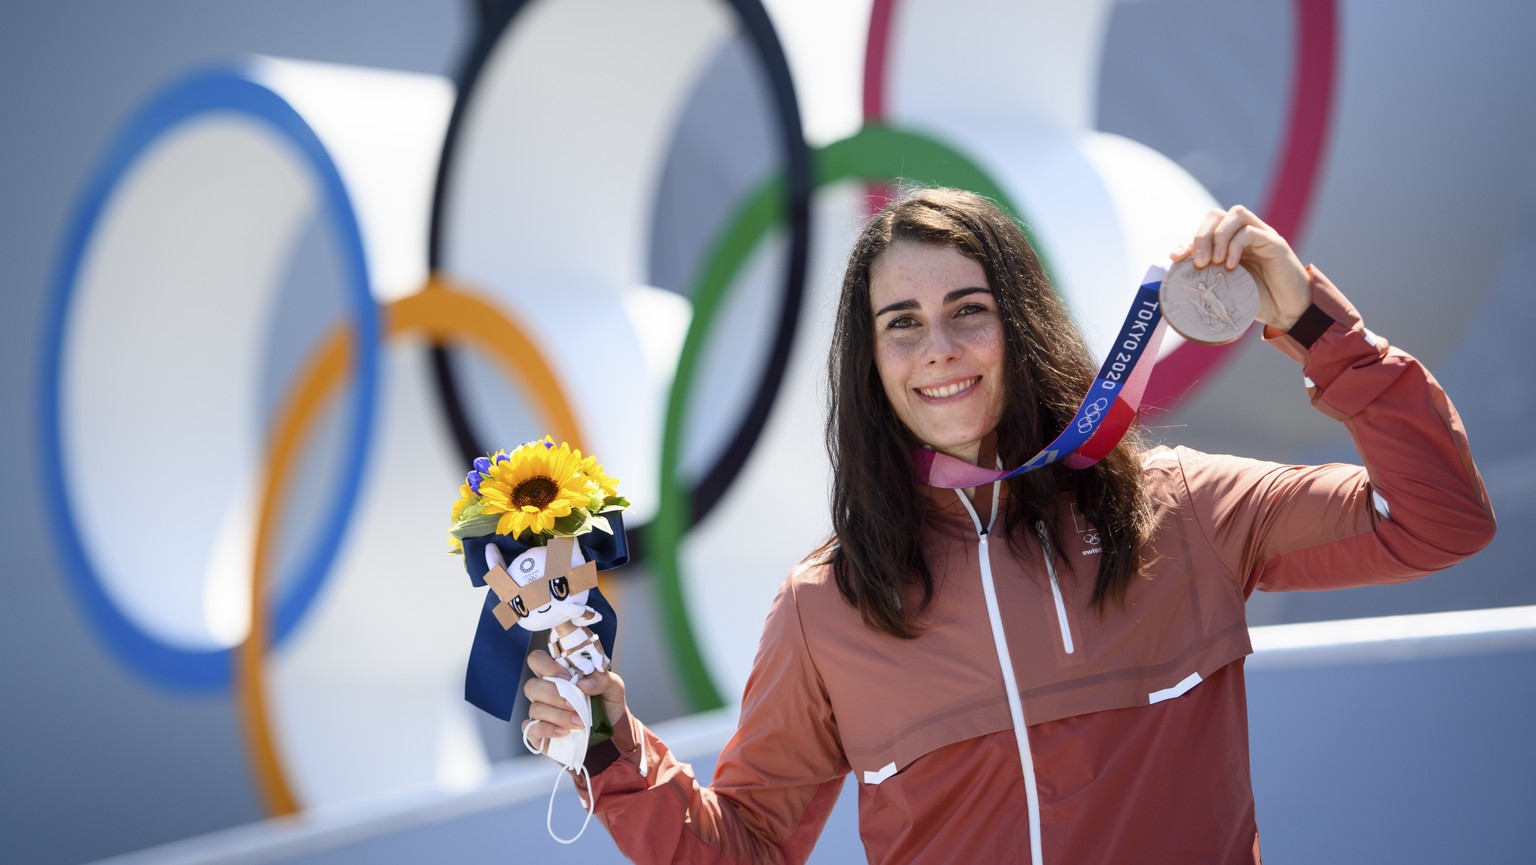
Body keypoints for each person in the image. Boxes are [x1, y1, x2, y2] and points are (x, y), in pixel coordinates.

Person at [521, 188, 1495, 863]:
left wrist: (1316, 326)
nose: (936, 347)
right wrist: (613, 749)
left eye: (968, 310)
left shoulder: (1186, 512)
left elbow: (1439, 519)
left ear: (1020, 325)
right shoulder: (827, 608)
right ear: (871, 364)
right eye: (900, 321)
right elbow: (746, 847)